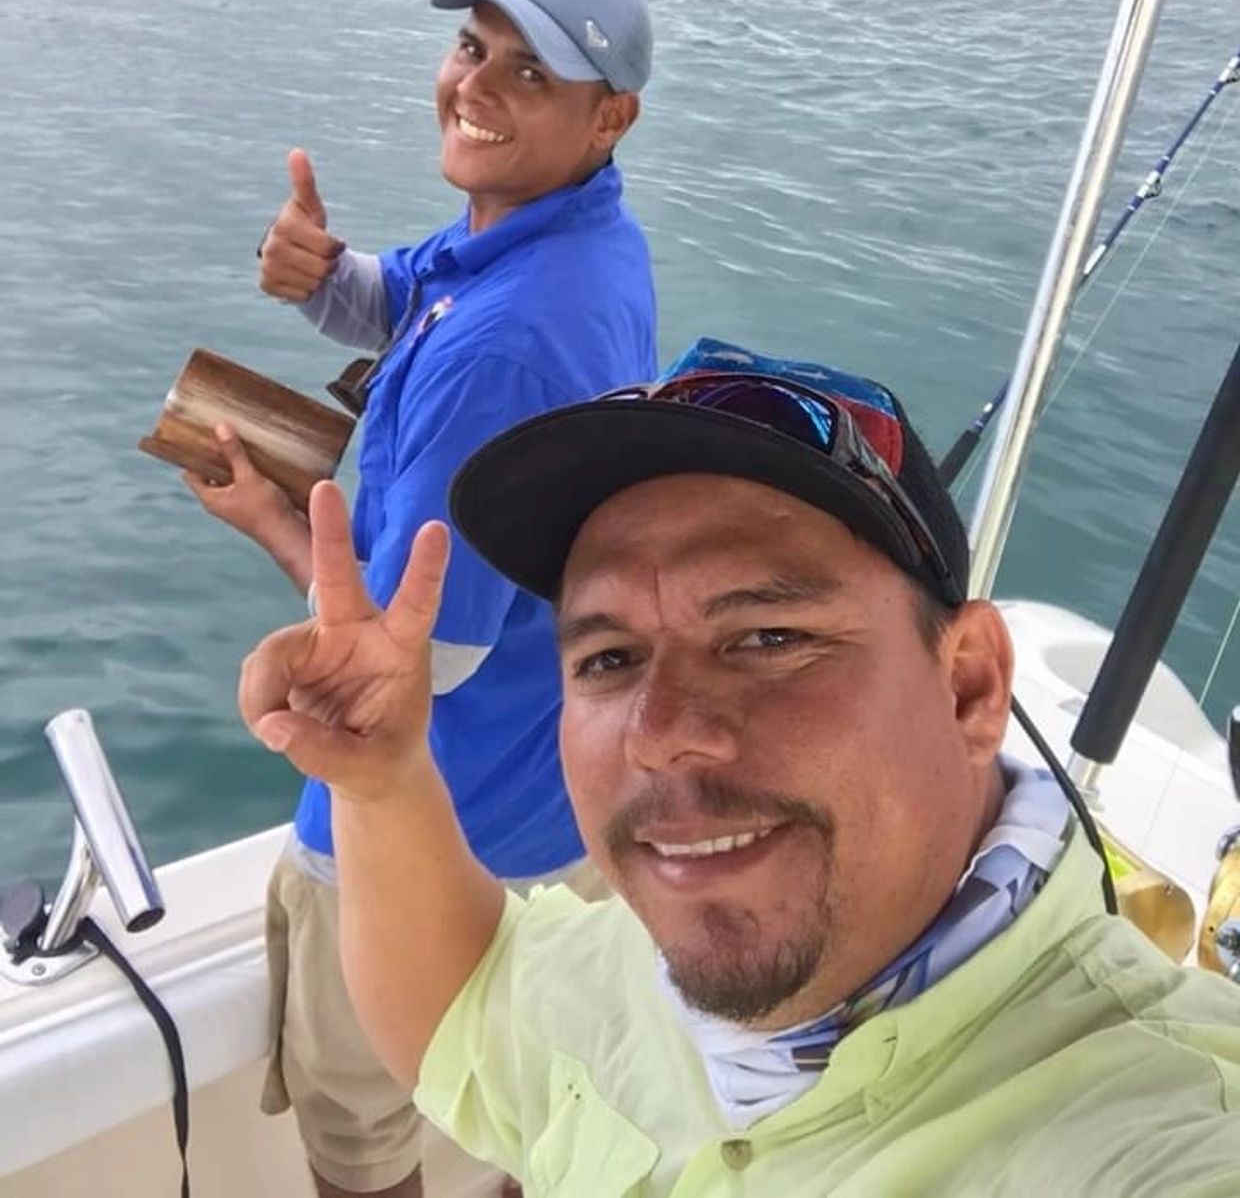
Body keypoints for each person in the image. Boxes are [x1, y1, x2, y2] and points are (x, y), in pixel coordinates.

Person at [237, 339, 1240, 1196]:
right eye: (610, 659)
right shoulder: (635, 969)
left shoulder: (1162, 1128)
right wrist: (382, 778)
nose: (662, 731)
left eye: (766, 636)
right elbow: (462, 1014)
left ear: (968, 686)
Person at [187, 0, 658, 1198]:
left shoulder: (504, 350)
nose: (478, 87)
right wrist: (324, 281)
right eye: (472, 47)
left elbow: (412, 662)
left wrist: (271, 523)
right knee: (533, 1115)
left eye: (532, 73)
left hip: (432, 827)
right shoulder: (580, 248)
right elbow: (413, 296)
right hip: (548, 797)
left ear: (610, 116)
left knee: (361, 1138)